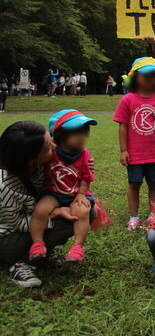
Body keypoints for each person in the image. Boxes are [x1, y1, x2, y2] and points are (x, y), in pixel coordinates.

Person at [0, 121, 95, 288]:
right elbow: (16, 224)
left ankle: (39, 252)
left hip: (33, 216)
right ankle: (19, 261)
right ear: (29, 160)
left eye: (49, 139)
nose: (53, 145)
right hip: (8, 238)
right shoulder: (5, 186)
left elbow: (67, 170)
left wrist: (83, 162)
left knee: (86, 210)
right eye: (46, 147)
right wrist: (54, 214)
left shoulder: (40, 165)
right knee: (69, 218)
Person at [28, 110, 98, 264]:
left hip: (75, 193)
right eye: (75, 133)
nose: (82, 137)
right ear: (60, 135)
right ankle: (38, 244)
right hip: (53, 193)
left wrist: (81, 194)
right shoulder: (51, 152)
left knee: (82, 210)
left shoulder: (84, 154)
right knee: (40, 209)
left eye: (84, 133)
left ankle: (77, 247)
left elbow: (86, 177)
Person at [113, 57, 155, 232]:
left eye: (154, 75)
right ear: (135, 77)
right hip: (135, 153)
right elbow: (123, 126)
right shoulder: (128, 100)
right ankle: (134, 216)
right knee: (134, 184)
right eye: (146, 75)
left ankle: (153, 214)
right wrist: (124, 150)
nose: (150, 79)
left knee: (154, 184)